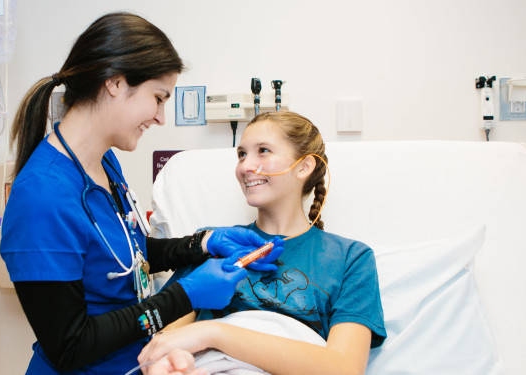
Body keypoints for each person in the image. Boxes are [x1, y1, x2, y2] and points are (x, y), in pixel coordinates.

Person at [0, 12, 277, 375]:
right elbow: (71, 345)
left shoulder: (105, 162)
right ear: (115, 82)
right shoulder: (42, 198)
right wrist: (184, 296)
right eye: (158, 98)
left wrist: (202, 243)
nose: (161, 117)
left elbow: (128, 257)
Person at [138, 111, 387, 374]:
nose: (245, 167)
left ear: (304, 166)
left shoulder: (351, 258)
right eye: (242, 154)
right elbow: (163, 341)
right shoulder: (213, 244)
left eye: (263, 151)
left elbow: (343, 368)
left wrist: (215, 332)